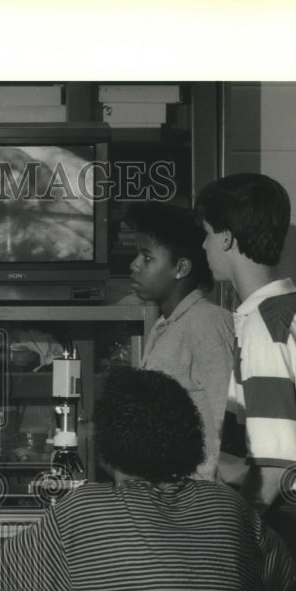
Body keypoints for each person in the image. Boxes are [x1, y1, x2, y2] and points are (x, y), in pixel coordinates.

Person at [0, 366, 295, 591]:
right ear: (188, 435)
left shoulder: (83, 508)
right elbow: (283, 578)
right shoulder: (228, 505)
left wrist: (95, 584)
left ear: (107, 442)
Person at [195, 173, 296, 591]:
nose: (204, 248)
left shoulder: (265, 327)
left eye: (206, 235)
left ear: (226, 237)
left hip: (290, 527)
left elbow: (274, 467)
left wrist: (229, 542)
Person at [126, 202, 233, 479]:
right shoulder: (166, 324)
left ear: (181, 267)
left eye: (147, 257)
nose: (134, 265)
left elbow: (227, 428)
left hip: (195, 504)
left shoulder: (207, 323)